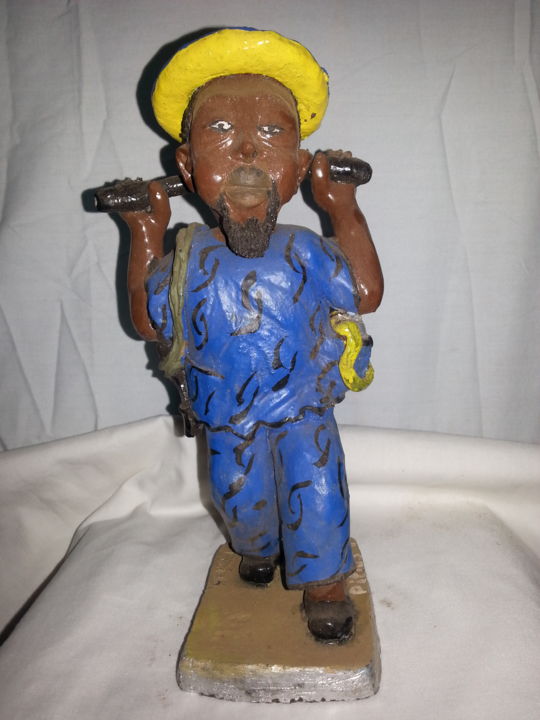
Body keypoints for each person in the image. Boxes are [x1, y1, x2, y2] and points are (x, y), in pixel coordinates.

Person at [121, 28, 383, 641]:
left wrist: (343, 209)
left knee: (317, 488)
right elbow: (150, 321)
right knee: (238, 496)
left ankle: (324, 582)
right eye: (218, 131)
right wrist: (145, 232)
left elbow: (363, 293)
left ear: (301, 167)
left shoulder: (306, 249)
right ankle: (258, 548)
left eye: (271, 133)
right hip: (225, 413)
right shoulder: (185, 258)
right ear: (186, 166)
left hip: (304, 407)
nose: (245, 148)